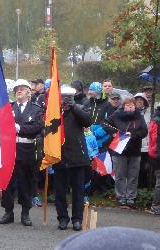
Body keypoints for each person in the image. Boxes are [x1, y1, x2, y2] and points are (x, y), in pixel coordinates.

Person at [0, 80, 44, 226]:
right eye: (17, 89)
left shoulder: (36, 109)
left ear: (29, 92)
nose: (19, 91)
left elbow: (37, 127)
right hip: (9, 150)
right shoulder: (8, 108)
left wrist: (19, 128)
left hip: (27, 151)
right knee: (8, 183)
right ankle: (8, 212)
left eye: (22, 89)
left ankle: (25, 213)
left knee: (26, 183)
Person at [54, 85, 92, 231]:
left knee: (78, 191)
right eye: (62, 96)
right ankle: (62, 218)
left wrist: (74, 107)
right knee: (59, 192)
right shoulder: (55, 111)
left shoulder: (80, 108)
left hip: (77, 156)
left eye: (68, 96)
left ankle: (77, 219)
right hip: (59, 156)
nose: (65, 99)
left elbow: (87, 121)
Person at [103, 97, 148, 209]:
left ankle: (131, 197)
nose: (130, 106)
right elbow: (104, 124)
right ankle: (121, 197)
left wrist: (133, 135)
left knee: (133, 175)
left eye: (132, 104)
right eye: (127, 105)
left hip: (135, 151)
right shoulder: (116, 115)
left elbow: (144, 131)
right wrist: (113, 133)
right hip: (119, 151)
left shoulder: (139, 116)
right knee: (120, 175)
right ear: (123, 106)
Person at [134, 93, 152, 189]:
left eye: (141, 100)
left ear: (145, 102)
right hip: (135, 145)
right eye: (137, 100)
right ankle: (136, 187)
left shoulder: (150, 113)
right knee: (136, 168)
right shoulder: (132, 113)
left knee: (145, 168)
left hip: (147, 145)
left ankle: (144, 187)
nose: (139, 101)